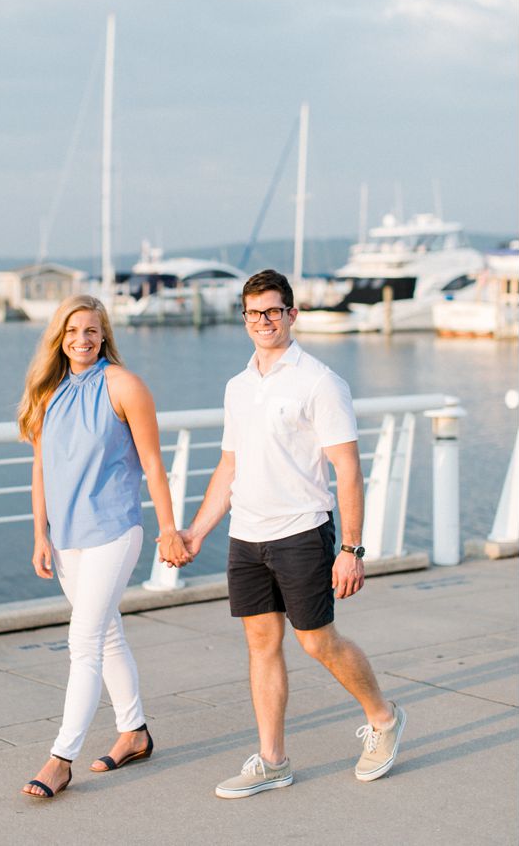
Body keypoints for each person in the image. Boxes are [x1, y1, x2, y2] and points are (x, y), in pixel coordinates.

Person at [171, 269, 406, 799]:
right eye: (254, 314)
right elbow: (229, 466)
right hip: (246, 535)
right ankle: (273, 760)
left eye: (273, 311)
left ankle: (385, 720)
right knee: (260, 644)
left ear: (292, 314)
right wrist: (198, 531)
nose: (264, 322)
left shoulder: (319, 381)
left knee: (317, 641)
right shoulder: (238, 387)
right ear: (244, 318)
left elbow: (348, 468)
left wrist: (351, 548)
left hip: (303, 531)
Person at [17, 295, 188, 799]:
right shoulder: (49, 393)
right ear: (58, 338)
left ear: (104, 334)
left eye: (91, 331)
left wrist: (169, 528)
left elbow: (154, 464)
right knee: (107, 634)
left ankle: (60, 757)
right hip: (67, 538)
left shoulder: (124, 386)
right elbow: (41, 469)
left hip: (115, 529)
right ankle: (134, 731)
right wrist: (39, 534)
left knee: (83, 642)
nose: (82, 340)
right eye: (72, 332)